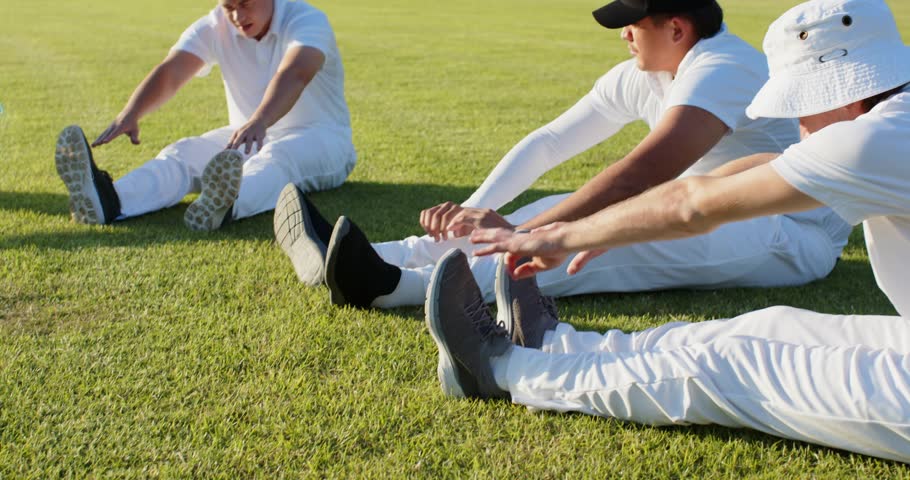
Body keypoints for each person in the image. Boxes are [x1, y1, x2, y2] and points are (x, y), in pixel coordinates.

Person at [425, 0, 910, 463]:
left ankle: (500, 369)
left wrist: (560, 237)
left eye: (802, 105)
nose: (799, 123)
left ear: (844, 90)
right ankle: (553, 343)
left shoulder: (872, 141)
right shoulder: (890, 119)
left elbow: (691, 206)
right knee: (767, 328)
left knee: (730, 366)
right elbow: (750, 171)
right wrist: (602, 229)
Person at [275, 0, 850, 308]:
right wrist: (469, 213)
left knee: (596, 243)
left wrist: (535, 234)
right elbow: (550, 142)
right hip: (703, 206)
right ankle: (374, 255)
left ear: (676, 27)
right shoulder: (644, 73)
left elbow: (642, 175)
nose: (623, 33)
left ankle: (392, 288)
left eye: (633, 23)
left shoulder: (723, 68)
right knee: (556, 205)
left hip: (788, 235)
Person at [54, 0, 355, 231]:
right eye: (228, 6)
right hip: (247, 132)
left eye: (244, 3)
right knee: (182, 153)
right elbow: (172, 71)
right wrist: (131, 112)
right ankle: (111, 201)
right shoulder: (215, 25)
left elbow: (296, 73)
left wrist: (260, 120)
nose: (237, 16)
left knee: (277, 158)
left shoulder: (307, 19)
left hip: (321, 136)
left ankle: (227, 204)